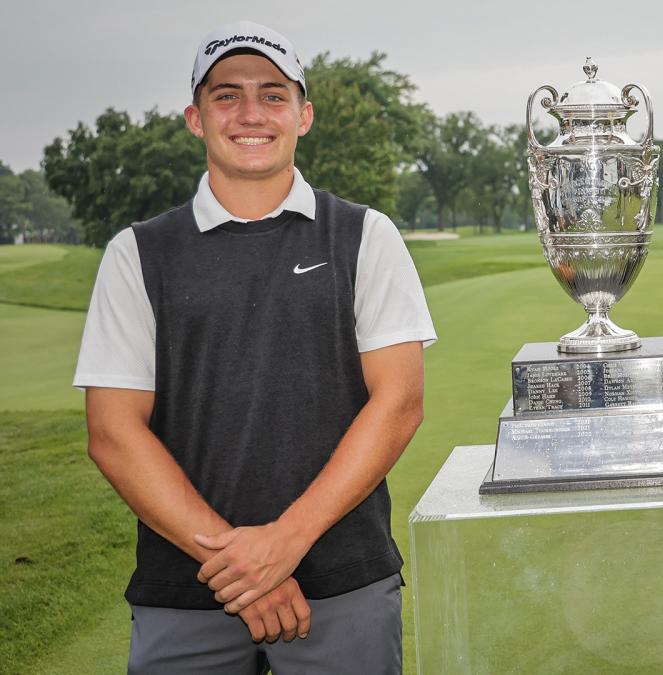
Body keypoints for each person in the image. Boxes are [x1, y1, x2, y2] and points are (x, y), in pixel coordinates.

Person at [74, 20, 435, 674]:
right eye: (226, 95)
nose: (251, 113)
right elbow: (112, 431)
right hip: (184, 596)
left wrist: (285, 541)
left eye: (273, 94)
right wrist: (249, 568)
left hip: (343, 585)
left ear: (304, 114)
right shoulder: (138, 252)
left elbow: (400, 401)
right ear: (194, 117)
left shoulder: (364, 235)